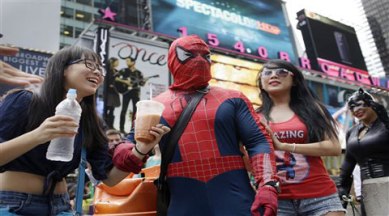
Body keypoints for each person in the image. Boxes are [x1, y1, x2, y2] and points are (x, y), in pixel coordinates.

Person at [0, 45, 170, 215]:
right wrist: (38, 135)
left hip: (61, 207)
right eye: (89, 64)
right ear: (63, 68)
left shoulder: (90, 121)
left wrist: (142, 148)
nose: (97, 72)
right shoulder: (25, 101)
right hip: (13, 204)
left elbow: (110, 178)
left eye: (99, 68)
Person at [130, 35, 279, 215]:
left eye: (205, 55)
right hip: (187, 200)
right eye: (189, 55)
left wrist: (268, 184)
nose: (199, 60)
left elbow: (258, 141)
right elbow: (132, 150)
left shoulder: (233, 98)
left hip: (233, 198)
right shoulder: (154, 106)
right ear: (173, 59)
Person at [256, 59, 345, 216]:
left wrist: (284, 146)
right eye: (267, 73)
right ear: (262, 82)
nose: (274, 76)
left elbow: (334, 147)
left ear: (295, 80)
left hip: (320, 194)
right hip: (278, 199)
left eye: (281, 72)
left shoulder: (313, 109)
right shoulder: (255, 116)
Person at [337, 88, 389, 216]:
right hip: (368, 189)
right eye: (352, 107)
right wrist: (342, 190)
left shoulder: (385, 124)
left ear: (372, 104)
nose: (356, 110)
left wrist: (386, 120)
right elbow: (348, 163)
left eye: (359, 104)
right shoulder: (352, 132)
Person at [117, 57, 145, 134]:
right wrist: (125, 81)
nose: (126, 62)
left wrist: (144, 82)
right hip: (126, 92)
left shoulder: (138, 73)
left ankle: (133, 129)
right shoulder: (124, 70)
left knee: (135, 112)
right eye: (126, 61)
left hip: (135, 93)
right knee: (124, 110)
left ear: (133, 62)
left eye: (128, 61)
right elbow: (115, 78)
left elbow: (142, 84)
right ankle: (121, 128)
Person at [104, 57, 121, 129]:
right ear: (112, 62)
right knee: (106, 108)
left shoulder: (116, 71)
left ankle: (110, 125)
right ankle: (104, 124)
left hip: (115, 92)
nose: (118, 63)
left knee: (112, 109)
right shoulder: (107, 71)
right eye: (116, 62)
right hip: (108, 93)